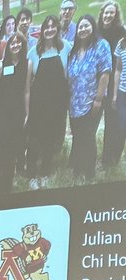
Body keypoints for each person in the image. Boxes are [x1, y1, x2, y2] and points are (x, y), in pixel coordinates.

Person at [26, 15, 72, 189]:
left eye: (53, 26)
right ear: (42, 30)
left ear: (57, 29)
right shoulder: (33, 52)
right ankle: (31, 175)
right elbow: (28, 82)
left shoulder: (65, 47)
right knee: (34, 139)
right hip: (38, 105)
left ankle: (45, 172)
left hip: (57, 104)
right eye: (47, 26)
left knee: (50, 139)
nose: (50, 29)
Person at [68, 15, 112, 180]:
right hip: (74, 103)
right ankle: (77, 168)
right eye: (80, 27)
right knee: (78, 137)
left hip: (91, 101)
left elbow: (105, 73)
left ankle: (89, 173)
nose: (83, 29)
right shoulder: (74, 50)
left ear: (93, 27)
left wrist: (98, 100)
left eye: (86, 26)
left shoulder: (101, 45)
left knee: (88, 137)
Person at [0, 32, 31, 195]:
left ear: (23, 45)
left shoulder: (27, 64)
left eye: (18, 42)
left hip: (17, 113)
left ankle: (7, 183)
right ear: (8, 46)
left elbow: (27, 90)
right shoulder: (2, 65)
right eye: (12, 43)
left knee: (12, 149)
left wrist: (27, 113)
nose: (15, 45)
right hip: (1, 113)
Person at [98, 1, 126, 165]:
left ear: (116, 15)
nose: (108, 15)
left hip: (114, 83)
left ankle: (110, 159)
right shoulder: (96, 30)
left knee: (113, 123)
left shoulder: (121, 32)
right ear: (102, 13)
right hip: (98, 81)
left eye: (111, 13)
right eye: (106, 12)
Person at [113, 36, 126, 162]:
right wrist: (115, 94)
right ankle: (115, 158)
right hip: (123, 92)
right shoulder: (121, 43)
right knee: (122, 126)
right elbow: (118, 69)